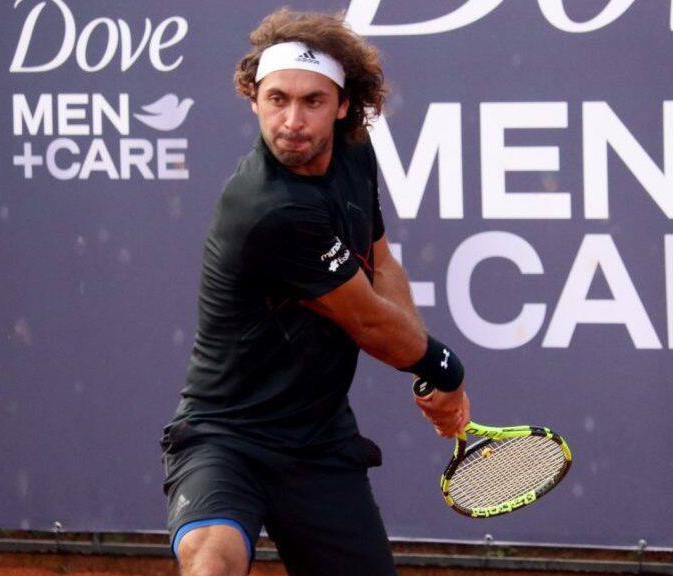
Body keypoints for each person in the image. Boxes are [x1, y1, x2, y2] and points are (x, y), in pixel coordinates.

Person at [160, 8, 470, 576]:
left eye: (313, 102)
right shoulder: (268, 210)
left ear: (344, 105)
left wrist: (424, 364)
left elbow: (379, 260)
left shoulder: (354, 152)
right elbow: (371, 325)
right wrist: (444, 368)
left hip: (319, 440)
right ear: (254, 98)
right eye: (277, 99)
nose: (293, 120)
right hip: (227, 435)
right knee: (213, 559)